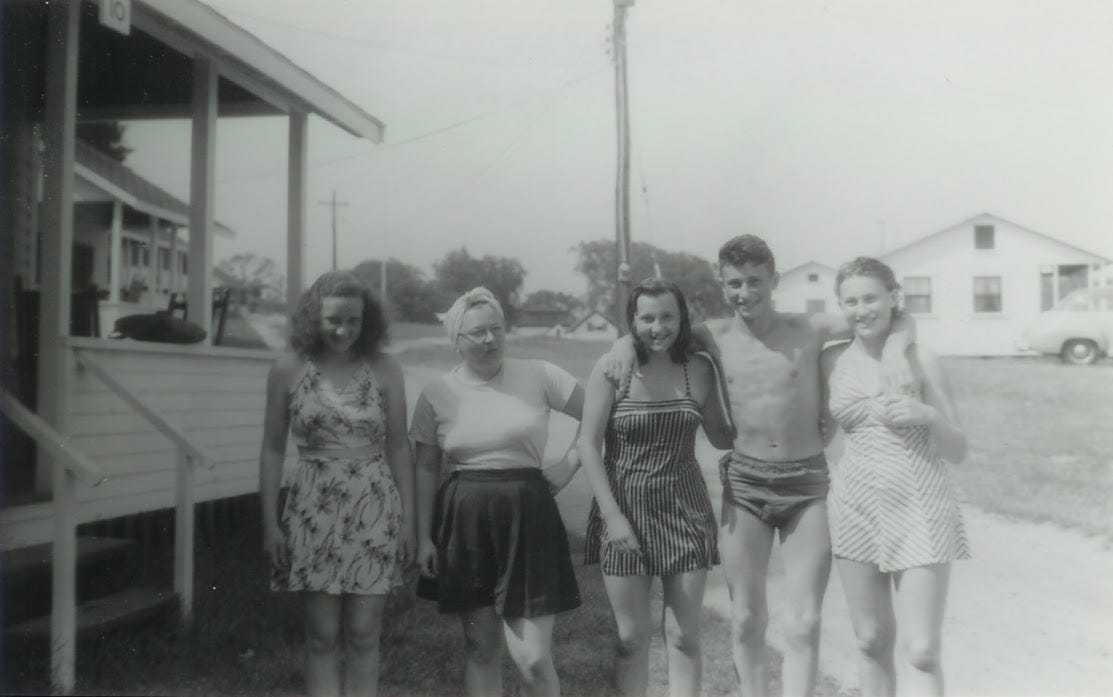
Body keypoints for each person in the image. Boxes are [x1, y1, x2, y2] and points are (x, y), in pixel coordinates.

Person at [605, 235, 915, 697]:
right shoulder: (712, 335)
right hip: (746, 485)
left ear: (774, 279)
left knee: (804, 620)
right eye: (734, 283)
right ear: (722, 283)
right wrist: (622, 348)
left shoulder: (810, 327)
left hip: (807, 485)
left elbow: (893, 316)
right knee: (747, 617)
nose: (744, 292)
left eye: (754, 281)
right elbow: (652, 332)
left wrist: (894, 350)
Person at [411, 287, 584, 697]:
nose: (490, 340)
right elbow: (425, 467)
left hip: (529, 513)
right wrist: (422, 538)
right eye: (477, 333)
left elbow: (600, 414)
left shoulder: (541, 374)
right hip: (464, 519)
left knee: (533, 657)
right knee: (480, 647)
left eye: (496, 329)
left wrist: (570, 462)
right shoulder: (437, 393)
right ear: (457, 339)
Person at [259, 270, 415, 697]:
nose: (344, 330)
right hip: (312, 507)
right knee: (321, 635)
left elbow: (400, 446)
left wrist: (409, 522)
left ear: (368, 321)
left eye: (354, 321)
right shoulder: (288, 369)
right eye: (333, 320)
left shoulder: (384, 369)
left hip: (374, 504)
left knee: (365, 633)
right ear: (313, 316)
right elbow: (272, 449)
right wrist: (270, 524)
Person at [821, 257, 969, 697]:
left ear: (893, 298)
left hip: (919, 504)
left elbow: (958, 450)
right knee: (871, 641)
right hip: (854, 506)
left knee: (922, 650)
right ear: (841, 306)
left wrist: (927, 415)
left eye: (871, 297)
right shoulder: (830, 361)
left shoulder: (921, 358)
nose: (861, 309)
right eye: (851, 301)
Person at [579, 278, 734, 697]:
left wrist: (724, 366)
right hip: (623, 510)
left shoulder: (697, 368)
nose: (658, 327)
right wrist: (613, 518)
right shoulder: (612, 368)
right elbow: (588, 446)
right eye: (647, 318)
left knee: (684, 635)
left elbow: (723, 437)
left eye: (668, 316)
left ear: (682, 318)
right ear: (632, 321)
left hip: (685, 510)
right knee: (630, 639)